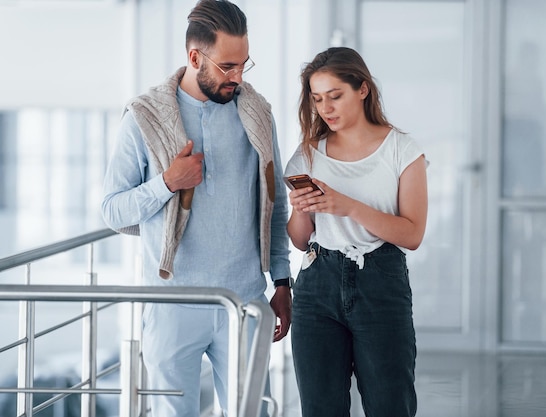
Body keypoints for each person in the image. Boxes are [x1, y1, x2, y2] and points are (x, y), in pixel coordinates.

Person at [100, 1, 292, 416]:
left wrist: (281, 280)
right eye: (227, 66)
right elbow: (112, 211)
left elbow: (274, 206)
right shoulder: (143, 118)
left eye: (244, 64)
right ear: (194, 57)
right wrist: (168, 183)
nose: (238, 77)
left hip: (244, 301)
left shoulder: (257, 114)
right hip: (172, 305)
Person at [284, 47, 428, 417]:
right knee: (320, 408)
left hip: (380, 284)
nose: (325, 108)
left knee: (389, 404)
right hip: (317, 286)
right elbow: (301, 239)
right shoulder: (307, 155)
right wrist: (302, 210)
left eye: (335, 96)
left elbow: (412, 234)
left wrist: (349, 207)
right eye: (317, 99)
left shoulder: (401, 150)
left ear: (362, 89)